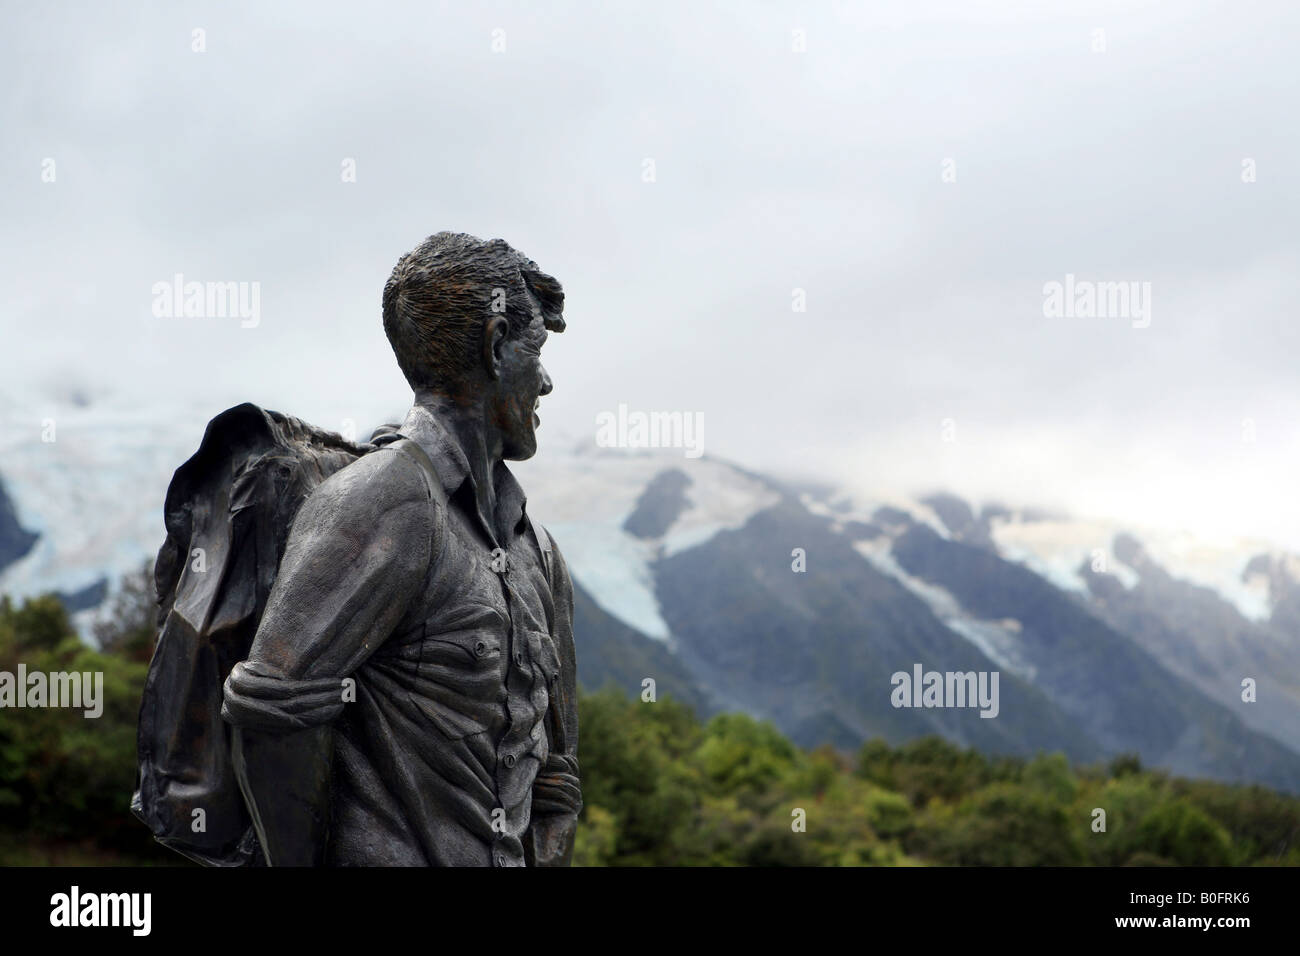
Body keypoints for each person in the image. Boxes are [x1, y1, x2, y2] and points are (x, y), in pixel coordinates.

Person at [220, 232, 580, 866]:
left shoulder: (537, 550)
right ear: (497, 346)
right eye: (536, 351)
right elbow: (271, 715)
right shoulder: (386, 504)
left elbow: (556, 774)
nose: (546, 381)